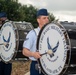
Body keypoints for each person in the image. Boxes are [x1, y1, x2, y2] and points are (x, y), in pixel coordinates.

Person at [22, 8, 49, 75]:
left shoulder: (50, 33)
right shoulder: (33, 33)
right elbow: (24, 51)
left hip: (49, 66)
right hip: (37, 66)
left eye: (47, 18)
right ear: (38, 20)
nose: (47, 20)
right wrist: (33, 54)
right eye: (44, 18)